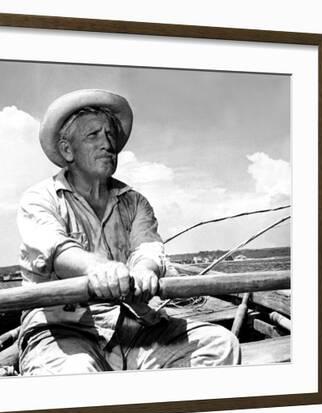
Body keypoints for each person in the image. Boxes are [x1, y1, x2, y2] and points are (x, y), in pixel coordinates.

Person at [17, 89, 240, 376]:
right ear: (67, 150)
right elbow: (57, 249)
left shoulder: (134, 202)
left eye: (110, 135)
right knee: (76, 375)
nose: (108, 144)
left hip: (133, 326)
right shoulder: (40, 198)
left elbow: (147, 248)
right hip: (63, 331)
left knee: (220, 345)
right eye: (94, 135)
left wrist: (146, 269)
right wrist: (100, 269)